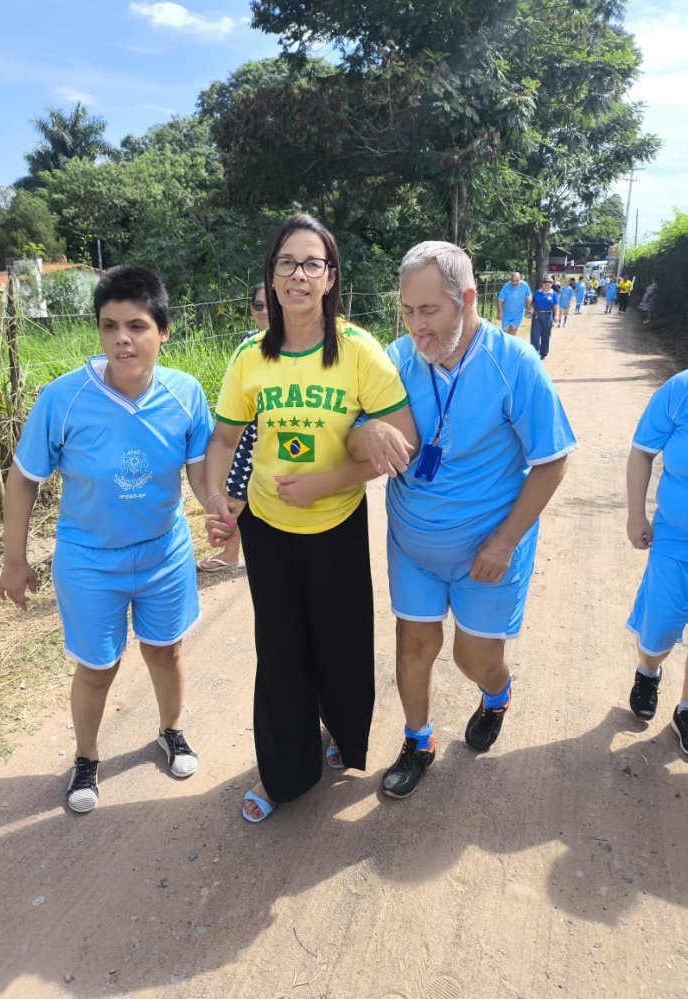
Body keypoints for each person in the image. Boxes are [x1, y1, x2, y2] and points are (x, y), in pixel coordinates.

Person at [204, 213, 415, 823]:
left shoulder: (357, 352)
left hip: (336, 526)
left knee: (341, 645)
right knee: (280, 651)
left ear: (330, 279)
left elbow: (404, 439)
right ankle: (284, 773)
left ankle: (342, 742)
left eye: (312, 264)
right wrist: (218, 496)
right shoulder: (249, 357)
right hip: (268, 529)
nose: (299, 275)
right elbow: (223, 438)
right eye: (287, 263)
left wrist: (328, 482)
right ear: (271, 276)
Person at [348, 241, 576, 798]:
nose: (416, 327)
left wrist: (504, 542)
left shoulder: (513, 364)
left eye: (429, 311)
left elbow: (551, 460)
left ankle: (497, 694)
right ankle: (417, 740)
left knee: (473, 657)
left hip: (487, 550)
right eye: (407, 310)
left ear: (468, 299)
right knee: (414, 646)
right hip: (413, 543)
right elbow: (351, 438)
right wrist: (365, 433)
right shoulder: (395, 361)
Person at [0, 267, 213, 813]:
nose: (122, 338)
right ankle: (87, 759)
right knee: (98, 666)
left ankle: (169, 731)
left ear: (163, 331)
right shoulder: (64, 398)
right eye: (109, 325)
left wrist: (218, 509)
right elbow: (23, 478)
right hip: (88, 560)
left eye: (137, 325)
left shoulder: (185, 394)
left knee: (166, 650)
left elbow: (198, 470)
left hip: (164, 551)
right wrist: (14, 559)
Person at [625, 370, 688, 758]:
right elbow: (642, 450)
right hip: (675, 539)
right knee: (659, 629)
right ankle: (648, 671)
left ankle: (685, 710)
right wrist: (636, 515)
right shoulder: (680, 390)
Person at [197, 282, 268, 572]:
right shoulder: (248, 343)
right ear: (251, 310)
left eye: (269, 304)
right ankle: (230, 552)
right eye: (258, 305)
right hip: (245, 433)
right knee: (234, 493)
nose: (264, 311)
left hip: (272, 436)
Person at [530, 276, 559, 360]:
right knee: (535, 334)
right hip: (537, 315)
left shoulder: (553, 294)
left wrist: (556, 315)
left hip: (548, 315)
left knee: (546, 334)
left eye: (549, 282)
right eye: (545, 282)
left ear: (552, 283)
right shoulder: (537, 292)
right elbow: (532, 302)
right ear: (542, 283)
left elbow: (555, 305)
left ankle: (543, 352)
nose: (547, 284)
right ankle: (535, 351)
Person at [496, 271, 532, 335]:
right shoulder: (506, 286)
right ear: (510, 280)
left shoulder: (525, 285)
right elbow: (500, 300)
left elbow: (529, 296)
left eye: (517, 281)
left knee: (512, 332)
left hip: (518, 314)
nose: (515, 282)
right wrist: (500, 313)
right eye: (513, 281)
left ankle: (510, 345)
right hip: (506, 314)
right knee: (505, 333)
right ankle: (506, 344)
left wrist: (528, 306)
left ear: (520, 279)